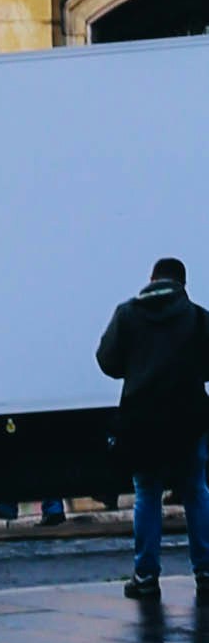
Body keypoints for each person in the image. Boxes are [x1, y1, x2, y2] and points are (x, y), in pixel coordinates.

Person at [98, 252, 209, 602]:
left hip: (142, 420)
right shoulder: (195, 317)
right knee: (195, 490)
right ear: (182, 285)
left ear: (151, 280)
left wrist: (136, 368)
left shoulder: (128, 314)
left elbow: (107, 360)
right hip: (189, 418)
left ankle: (145, 576)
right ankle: (206, 572)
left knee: (147, 494)